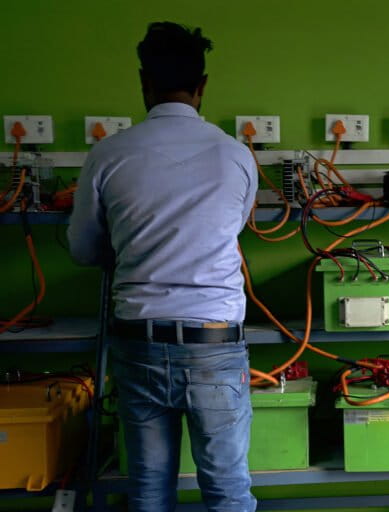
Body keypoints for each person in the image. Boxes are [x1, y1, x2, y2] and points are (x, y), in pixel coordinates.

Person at [68, 21, 258, 512]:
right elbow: (229, 230)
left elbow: (83, 249)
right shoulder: (235, 155)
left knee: (149, 491)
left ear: (142, 82)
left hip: (140, 343)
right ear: (202, 86)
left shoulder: (109, 153)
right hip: (213, 345)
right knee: (228, 491)